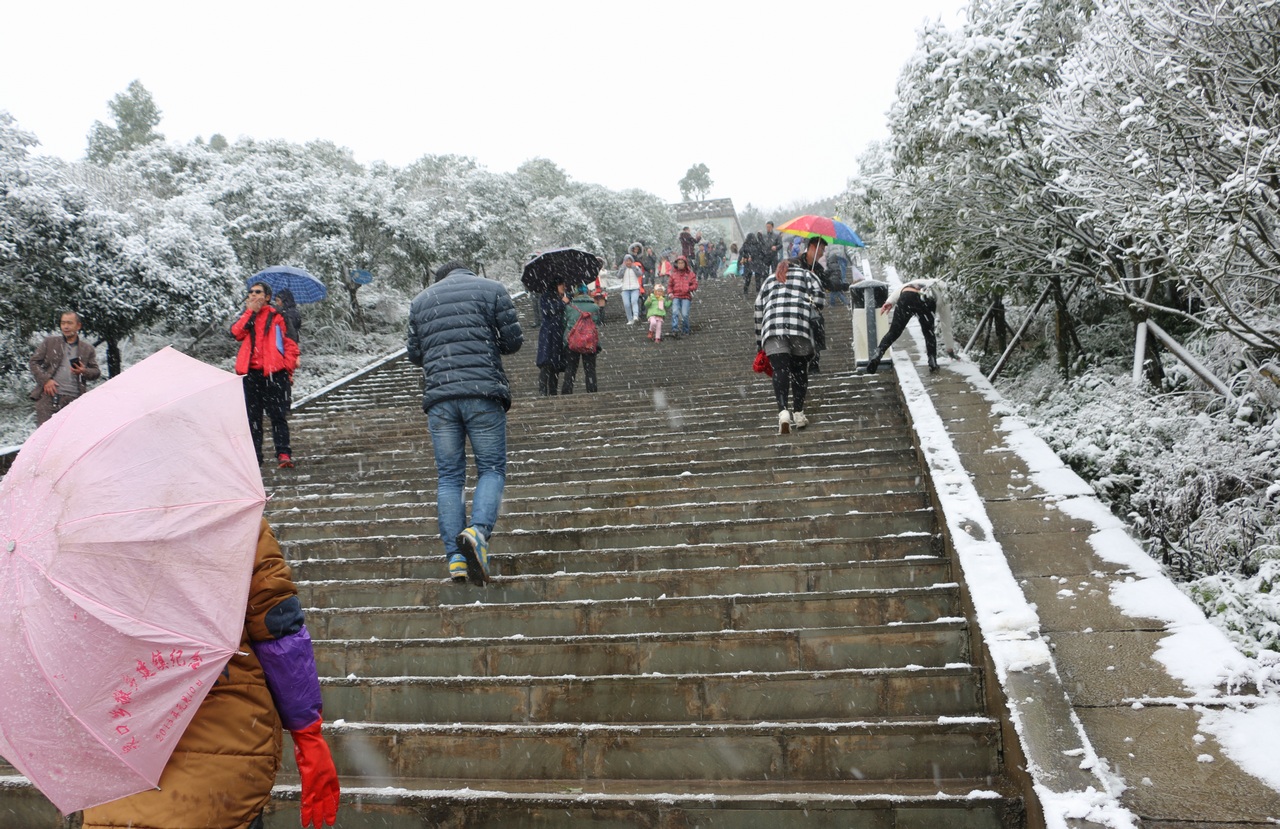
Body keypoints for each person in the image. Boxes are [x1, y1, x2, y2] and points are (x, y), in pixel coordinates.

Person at [82, 519, 340, 829]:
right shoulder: (227, 516)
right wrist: (306, 731)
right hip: (224, 741)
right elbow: (277, 629)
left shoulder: (80, 531)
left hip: (120, 750)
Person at [406, 261, 523, 585]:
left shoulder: (420, 301)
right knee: (491, 469)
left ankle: (456, 558)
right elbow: (513, 341)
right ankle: (478, 532)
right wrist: (486, 343)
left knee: (449, 478)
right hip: (482, 392)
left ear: (439, 278)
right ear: (469, 272)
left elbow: (415, 354)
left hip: (441, 398)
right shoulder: (493, 289)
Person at [755, 238, 828, 434]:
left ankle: (783, 412)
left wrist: (759, 341)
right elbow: (820, 301)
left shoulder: (770, 280)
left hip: (773, 330)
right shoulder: (807, 275)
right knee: (799, 370)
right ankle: (798, 412)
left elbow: (758, 310)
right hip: (799, 328)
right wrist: (807, 299)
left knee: (780, 370)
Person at [231, 282, 300, 468]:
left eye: (258, 292)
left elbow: (291, 344)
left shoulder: (279, 316)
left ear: (267, 297)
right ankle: (255, 457)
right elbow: (236, 333)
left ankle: (283, 453)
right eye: (251, 292)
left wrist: (288, 370)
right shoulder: (246, 316)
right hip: (251, 374)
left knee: (277, 415)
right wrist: (250, 312)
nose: (253, 295)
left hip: (275, 373)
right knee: (253, 418)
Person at [865, 278, 958, 375]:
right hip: (926, 300)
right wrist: (950, 349)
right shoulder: (944, 295)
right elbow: (946, 325)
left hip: (907, 296)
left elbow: (901, 288)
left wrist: (890, 302)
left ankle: (878, 354)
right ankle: (932, 362)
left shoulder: (924, 281)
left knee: (893, 332)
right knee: (929, 333)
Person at [29, 310, 101, 425]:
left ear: (78, 326)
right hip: (49, 399)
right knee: (46, 438)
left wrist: (84, 371)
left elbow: (96, 372)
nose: (65, 327)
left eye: (69, 323)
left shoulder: (87, 349)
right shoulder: (50, 342)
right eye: (63, 323)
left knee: (69, 439)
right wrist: (46, 380)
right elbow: (33, 362)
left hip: (75, 400)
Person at [562, 284, 602, 394]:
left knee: (570, 368)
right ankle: (592, 391)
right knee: (590, 370)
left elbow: (564, 323)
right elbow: (597, 322)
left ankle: (567, 392)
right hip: (590, 341)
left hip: (573, 341)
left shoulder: (570, 307)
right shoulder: (595, 307)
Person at [536, 281, 568, 395]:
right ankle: (543, 391)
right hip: (549, 334)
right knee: (547, 363)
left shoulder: (562, 297)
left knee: (555, 364)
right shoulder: (546, 296)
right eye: (561, 284)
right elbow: (547, 311)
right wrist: (562, 303)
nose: (564, 287)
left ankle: (553, 392)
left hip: (558, 333)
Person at [667, 254, 699, 337]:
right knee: (675, 312)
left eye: (682, 263)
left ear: (685, 264)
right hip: (676, 296)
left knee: (685, 314)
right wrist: (670, 293)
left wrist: (688, 288)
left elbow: (695, 284)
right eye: (679, 263)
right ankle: (674, 329)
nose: (680, 264)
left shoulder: (690, 274)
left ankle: (685, 330)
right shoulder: (673, 274)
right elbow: (670, 285)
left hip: (686, 297)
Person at [617, 255, 645, 324]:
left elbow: (640, 274)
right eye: (627, 261)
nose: (628, 262)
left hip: (635, 288)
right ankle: (630, 319)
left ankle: (635, 315)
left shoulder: (635, 267)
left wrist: (634, 268)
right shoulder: (623, 268)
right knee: (626, 304)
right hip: (625, 289)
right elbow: (619, 276)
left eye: (629, 261)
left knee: (634, 301)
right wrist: (623, 268)